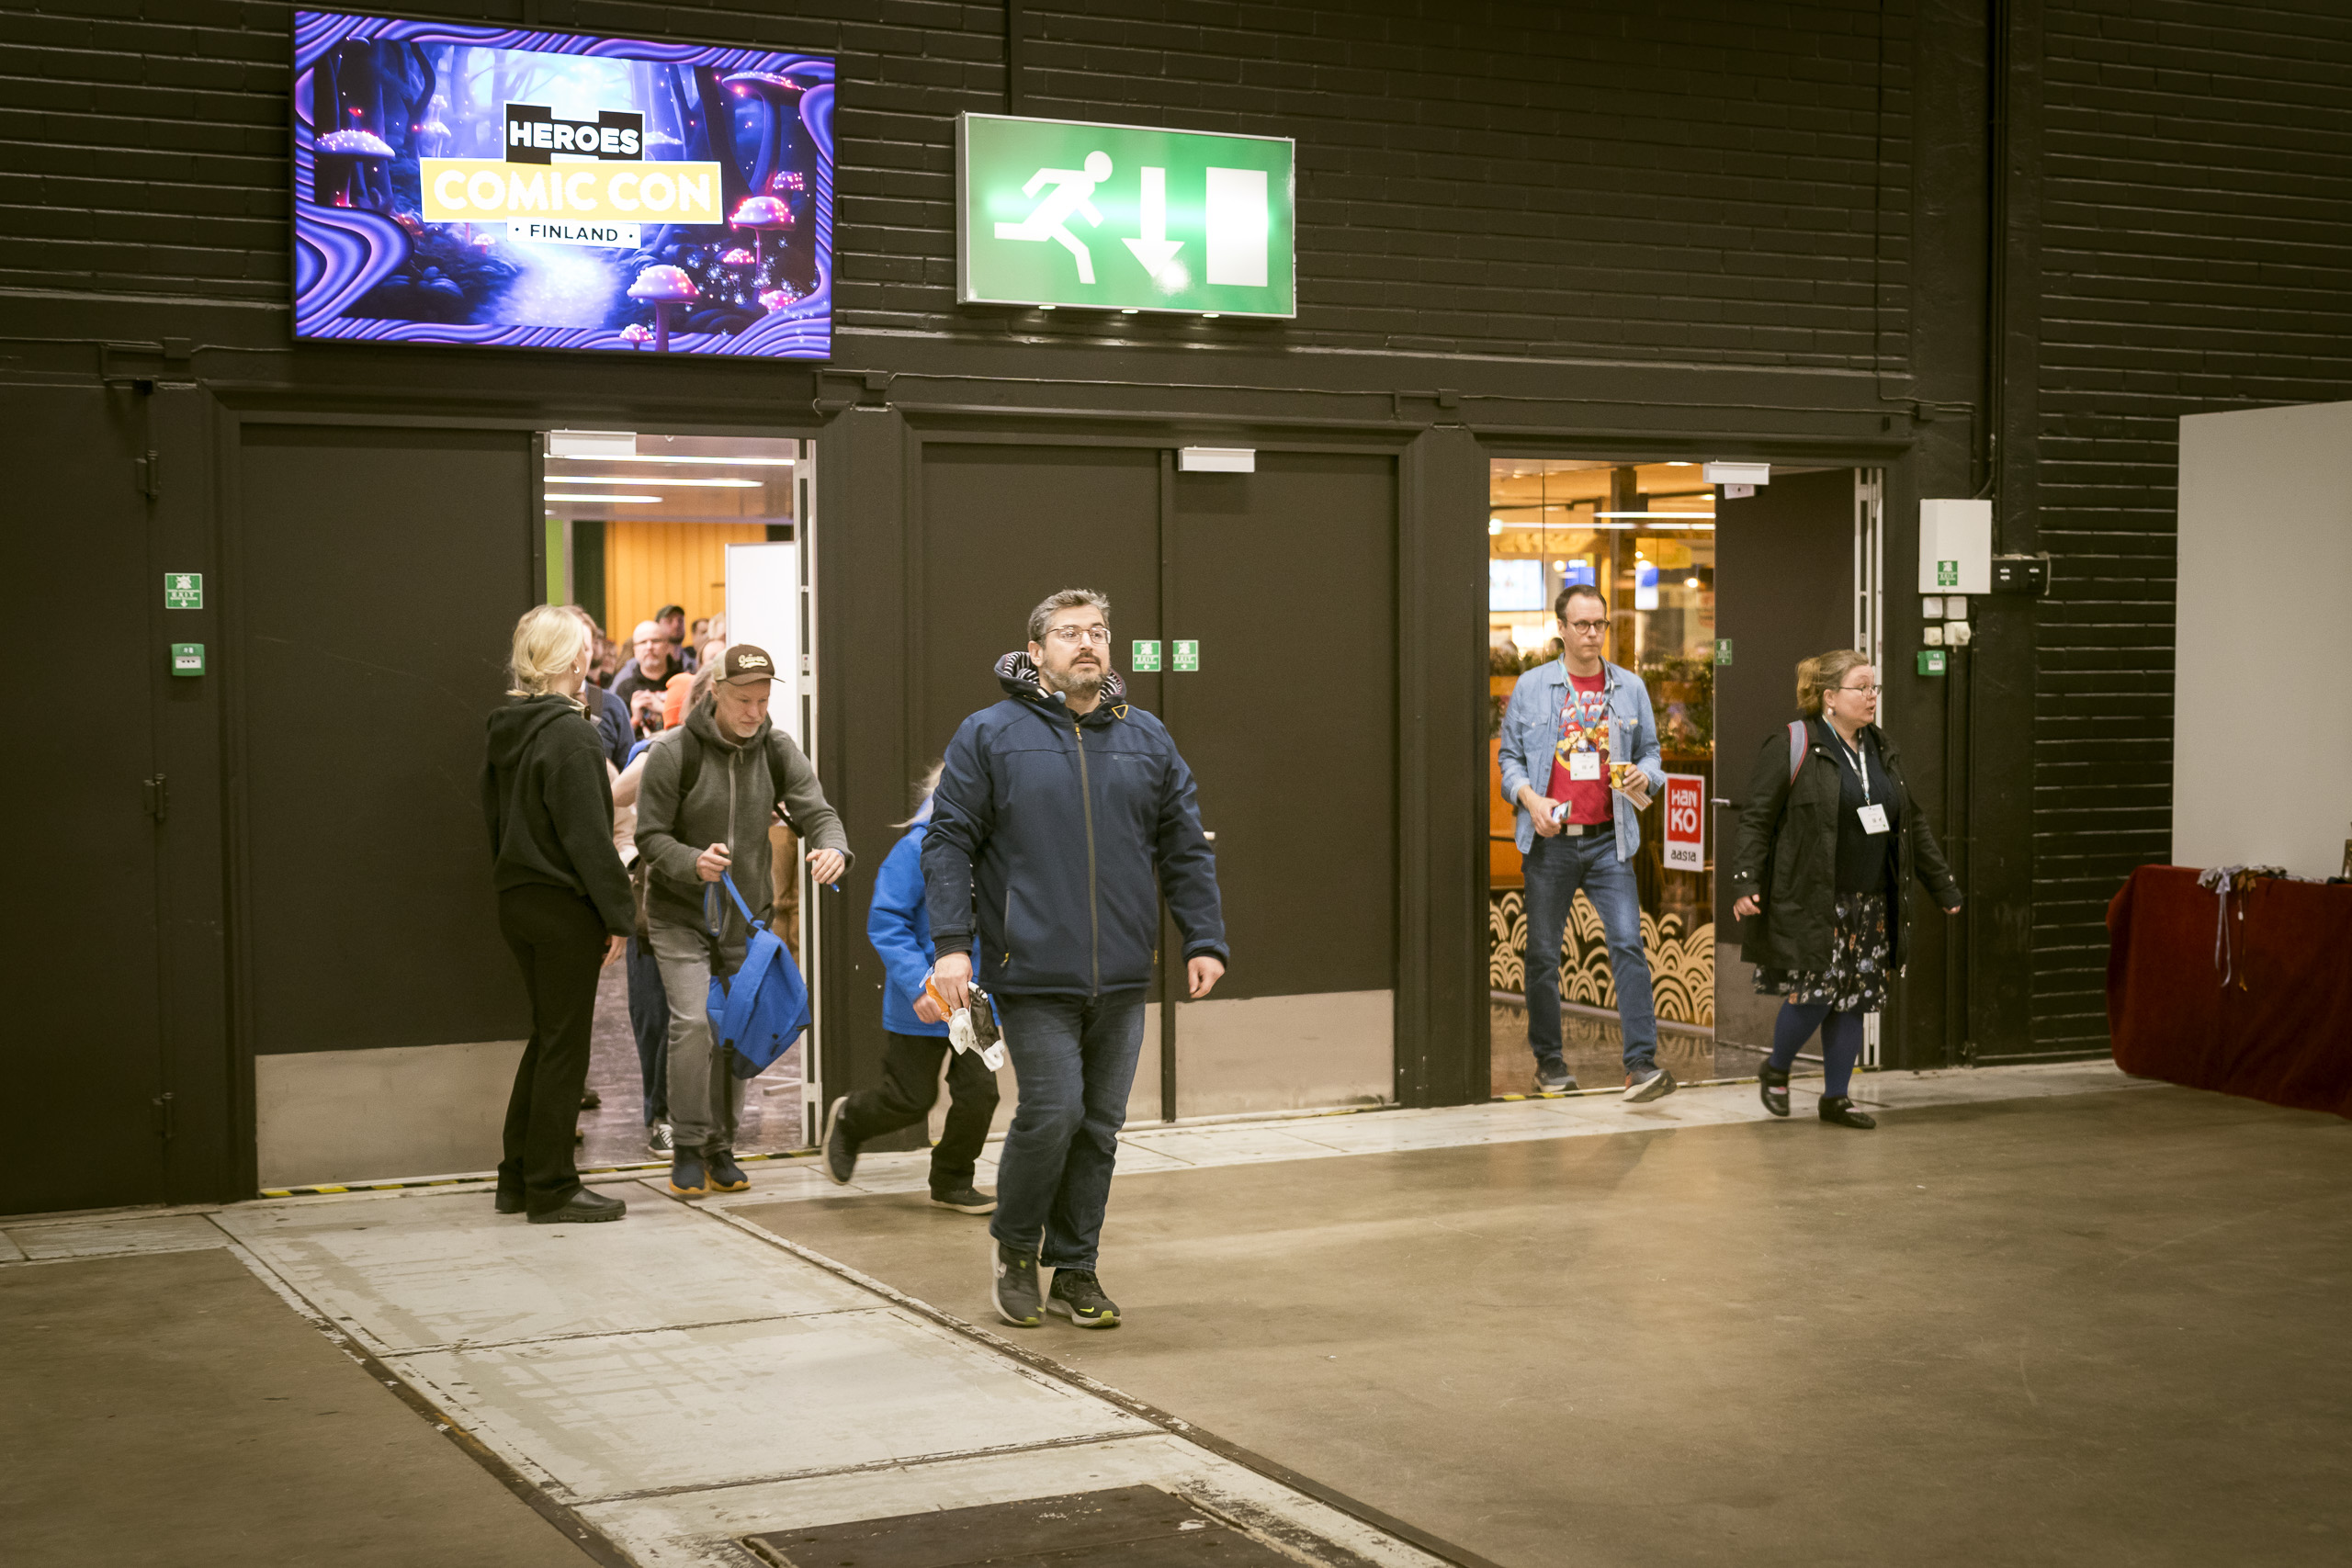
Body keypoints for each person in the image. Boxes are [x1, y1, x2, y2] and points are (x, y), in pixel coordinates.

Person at [925, 590, 1227, 1331]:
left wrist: (1204, 936)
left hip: (1122, 972)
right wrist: (952, 945)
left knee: (1098, 1125)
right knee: (1054, 1110)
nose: (1087, 642)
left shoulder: (1147, 737)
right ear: (1036, 653)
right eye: (1069, 633)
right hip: (1029, 969)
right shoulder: (990, 734)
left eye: (1097, 631)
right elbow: (949, 840)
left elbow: (1184, 844)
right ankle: (1015, 1250)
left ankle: (1075, 1265)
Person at [634, 645, 851, 1197]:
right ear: (715, 693)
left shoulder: (777, 749)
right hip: (679, 914)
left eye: (763, 700)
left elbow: (818, 812)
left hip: (744, 920)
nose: (755, 712)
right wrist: (692, 861)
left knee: (734, 1028)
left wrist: (833, 848)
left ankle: (719, 1146)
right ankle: (687, 1144)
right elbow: (649, 837)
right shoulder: (674, 752)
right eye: (743, 701)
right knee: (693, 1023)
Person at [1729, 650, 1962, 1129]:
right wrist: (1746, 882)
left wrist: (1942, 885)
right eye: (1862, 687)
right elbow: (1757, 818)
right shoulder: (1795, 742)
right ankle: (1777, 1067)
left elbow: (1911, 822)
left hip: (1871, 900)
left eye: (1875, 687)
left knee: (1855, 998)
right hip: (1816, 898)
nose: (1872, 696)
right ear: (1830, 697)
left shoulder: (1881, 748)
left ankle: (1836, 1098)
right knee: (1815, 994)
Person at [479, 605, 636, 1224]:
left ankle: (517, 1178)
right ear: (576, 659)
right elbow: (588, 838)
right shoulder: (571, 733)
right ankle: (552, 1185)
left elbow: (496, 822)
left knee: (548, 1038)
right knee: (566, 1047)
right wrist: (619, 914)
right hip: (563, 906)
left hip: (517, 899)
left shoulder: (507, 729)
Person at [1497, 582, 1673, 1102]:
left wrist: (1645, 775)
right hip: (1549, 844)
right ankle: (1549, 1063)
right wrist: (1530, 799)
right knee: (1543, 956)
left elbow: (1652, 753)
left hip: (1608, 842)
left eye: (1600, 624)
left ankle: (1640, 1065)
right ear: (1562, 629)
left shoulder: (1629, 688)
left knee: (1628, 944)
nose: (1593, 634)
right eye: (1582, 625)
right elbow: (1509, 759)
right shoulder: (1532, 687)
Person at [820, 763, 1001, 1213]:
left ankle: (952, 1180)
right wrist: (920, 984)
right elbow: (887, 921)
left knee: (980, 1094)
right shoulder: (915, 847)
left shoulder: (995, 851)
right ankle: (851, 1119)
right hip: (920, 1001)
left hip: (976, 1003)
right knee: (910, 1100)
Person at [562, 606, 631, 770]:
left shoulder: (612, 706)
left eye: (585, 649)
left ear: (593, 653)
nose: (577, 657)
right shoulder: (534, 705)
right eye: (571, 647)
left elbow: (630, 773)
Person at [611, 619, 680, 730]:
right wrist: (635, 720)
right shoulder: (625, 689)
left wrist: (663, 708)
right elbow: (617, 737)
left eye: (655, 641)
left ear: (667, 646)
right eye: (643, 642)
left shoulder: (682, 681)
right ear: (635, 650)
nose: (649, 647)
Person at [657, 604, 695, 671]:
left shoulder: (695, 660)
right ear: (657, 626)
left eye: (680, 621)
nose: (676, 625)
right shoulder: (646, 663)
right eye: (670, 621)